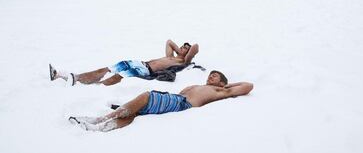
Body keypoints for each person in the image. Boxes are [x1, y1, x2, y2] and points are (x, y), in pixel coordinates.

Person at [69, 70, 253, 132]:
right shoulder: (202, 85)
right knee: (135, 112)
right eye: (210, 75)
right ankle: (100, 129)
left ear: (222, 82)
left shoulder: (221, 90)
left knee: (146, 96)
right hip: (176, 99)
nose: (211, 77)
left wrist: (227, 85)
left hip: (182, 103)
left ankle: (99, 120)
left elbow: (248, 86)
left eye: (215, 76)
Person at [50, 40, 199, 86]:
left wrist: (185, 52)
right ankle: (73, 78)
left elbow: (196, 47)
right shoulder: (171, 55)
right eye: (183, 46)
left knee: (117, 77)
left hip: (145, 71)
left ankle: (90, 87)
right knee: (107, 69)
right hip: (139, 63)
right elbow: (169, 41)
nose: (183, 49)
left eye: (186, 48)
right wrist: (180, 49)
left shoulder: (183, 61)